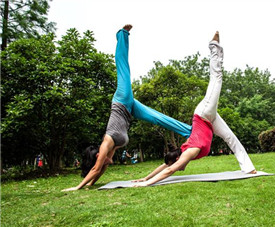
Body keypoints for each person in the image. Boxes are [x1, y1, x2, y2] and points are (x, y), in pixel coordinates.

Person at [62, 25, 192, 191]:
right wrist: (90, 184)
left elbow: (96, 168)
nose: (108, 163)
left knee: (123, 71)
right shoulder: (110, 151)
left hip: (121, 101)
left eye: (102, 161)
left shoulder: (106, 144)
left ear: (98, 156)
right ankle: (190, 130)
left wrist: (77, 187)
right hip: (130, 110)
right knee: (156, 117)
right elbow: (99, 170)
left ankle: (122, 35)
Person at [133, 31, 256, 187]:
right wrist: (145, 178)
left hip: (203, 113)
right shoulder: (179, 152)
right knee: (230, 137)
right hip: (210, 121)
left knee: (217, 79)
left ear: (177, 159)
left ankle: (214, 48)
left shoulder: (189, 152)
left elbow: (170, 170)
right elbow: (166, 165)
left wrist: (147, 184)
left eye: (174, 164)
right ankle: (248, 168)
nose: (176, 168)